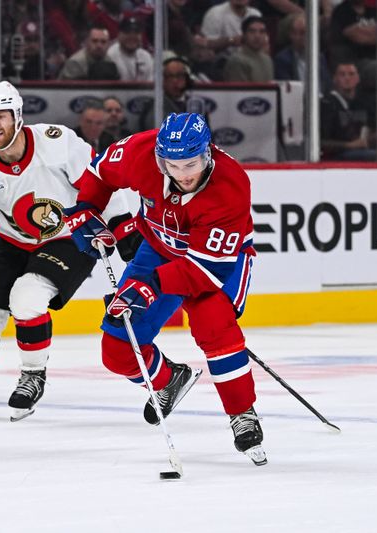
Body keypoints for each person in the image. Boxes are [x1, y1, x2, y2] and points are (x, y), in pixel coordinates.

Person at [63, 113, 268, 466]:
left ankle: (242, 413)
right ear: (159, 159)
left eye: (192, 163)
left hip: (217, 262)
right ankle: (169, 380)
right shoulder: (140, 151)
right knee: (117, 348)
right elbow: (98, 173)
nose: (184, 173)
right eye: (172, 165)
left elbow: (207, 272)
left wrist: (150, 285)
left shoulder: (231, 185)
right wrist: (86, 208)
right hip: (158, 248)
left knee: (213, 325)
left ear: (208, 154)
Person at [0, 81, 140, 421]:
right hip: (14, 242)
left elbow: (101, 181)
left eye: (1, 116)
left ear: (18, 117)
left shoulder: (57, 144)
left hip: (70, 238)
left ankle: (32, 375)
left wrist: (121, 225)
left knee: (27, 297)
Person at [320, 61, 376, 161]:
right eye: (342, 74)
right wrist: (349, 145)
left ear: (358, 78)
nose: (347, 78)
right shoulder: (326, 104)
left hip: (361, 151)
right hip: (336, 157)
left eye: (351, 74)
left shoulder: (364, 103)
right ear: (334, 79)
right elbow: (320, 142)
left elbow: (371, 129)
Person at [222, 16, 274, 82]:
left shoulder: (268, 60)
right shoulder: (237, 61)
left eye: (262, 32)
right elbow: (239, 91)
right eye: (252, 31)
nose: (257, 36)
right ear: (244, 35)